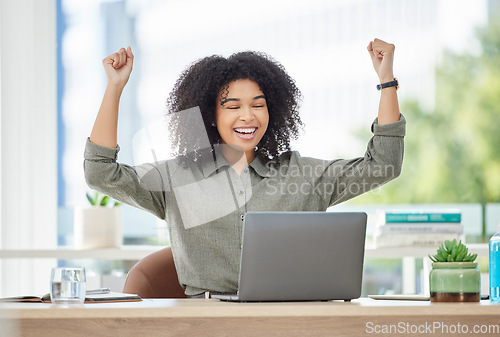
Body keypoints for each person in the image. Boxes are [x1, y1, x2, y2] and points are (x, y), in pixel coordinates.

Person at [84, 39, 406, 297]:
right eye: (232, 106)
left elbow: (383, 165)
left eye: (258, 105)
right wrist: (115, 87)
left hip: (289, 319)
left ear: (273, 110)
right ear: (210, 115)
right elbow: (101, 172)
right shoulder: (177, 178)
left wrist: (386, 82)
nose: (247, 117)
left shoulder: (304, 176)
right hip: (205, 321)